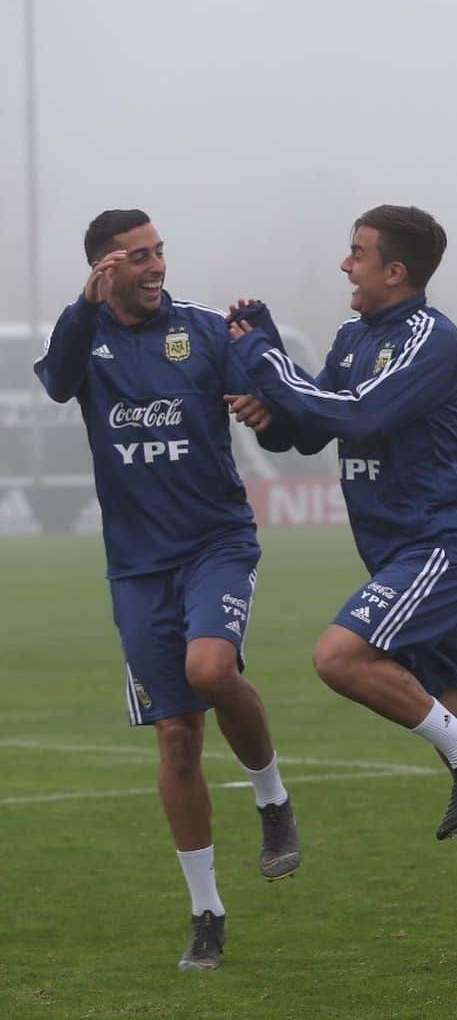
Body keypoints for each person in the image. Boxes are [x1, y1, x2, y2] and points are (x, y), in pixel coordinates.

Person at [226, 204, 457, 963]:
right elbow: (312, 427)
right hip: (402, 559)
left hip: (440, 548)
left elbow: (365, 416)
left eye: (357, 254)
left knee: (339, 657)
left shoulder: (434, 339)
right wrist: (267, 412)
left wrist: (268, 363)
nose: (346, 265)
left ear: (394, 271)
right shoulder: (354, 337)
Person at [34, 209, 301, 972]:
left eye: (160, 253)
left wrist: (265, 402)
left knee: (212, 671)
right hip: (137, 567)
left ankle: (273, 799)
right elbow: (56, 383)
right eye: (139, 258)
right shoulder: (86, 337)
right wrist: (82, 311)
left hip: (216, 544)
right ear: (104, 269)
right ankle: (207, 913)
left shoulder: (204, 331)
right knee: (177, 737)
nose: (156, 268)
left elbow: (278, 412)